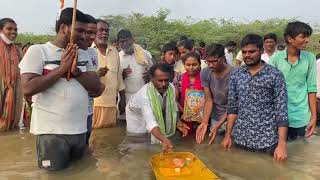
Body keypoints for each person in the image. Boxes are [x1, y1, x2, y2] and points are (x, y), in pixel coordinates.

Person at [19, 8, 104, 171]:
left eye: (86, 31)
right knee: (54, 175)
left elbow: (97, 87)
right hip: (52, 133)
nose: (84, 36)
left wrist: (76, 72)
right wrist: (61, 69)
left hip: (80, 129)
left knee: (80, 172)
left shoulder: (84, 54)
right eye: (79, 30)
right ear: (63, 28)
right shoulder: (38, 51)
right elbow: (27, 88)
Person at [221, 34, 288, 162]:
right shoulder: (236, 74)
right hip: (240, 138)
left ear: (261, 51)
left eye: (252, 51)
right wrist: (228, 135)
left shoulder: (275, 75)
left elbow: (282, 111)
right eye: (245, 52)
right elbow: (232, 108)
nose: (247, 55)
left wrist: (282, 144)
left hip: (267, 141)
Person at [125, 63, 189, 152]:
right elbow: (151, 122)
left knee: (153, 136)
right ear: (152, 79)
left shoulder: (171, 88)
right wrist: (164, 139)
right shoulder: (145, 95)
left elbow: (173, 107)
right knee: (137, 141)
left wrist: (178, 122)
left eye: (166, 80)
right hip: (136, 117)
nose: (163, 84)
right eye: (160, 80)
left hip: (149, 114)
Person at [269, 21, 317, 140]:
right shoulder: (275, 59)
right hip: (278, 116)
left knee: (300, 150)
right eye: (303, 36)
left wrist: (314, 117)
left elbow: (311, 89)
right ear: (290, 38)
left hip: (301, 116)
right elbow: (269, 89)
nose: (307, 40)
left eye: (307, 37)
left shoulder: (310, 58)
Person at [195, 44, 234, 144]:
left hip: (233, 118)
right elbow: (208, 100)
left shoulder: (235, 74)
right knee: (214, 146)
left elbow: (233, 105)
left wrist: (220, 123)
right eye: (208, 62)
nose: (211, 65)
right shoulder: (205, 73)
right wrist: (204, 122)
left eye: (215, 61)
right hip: (215, 117)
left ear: (223, 58)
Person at [92, 19, 126, 129]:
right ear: (94, 31)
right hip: (93, 104)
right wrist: (96, 74)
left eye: (106, 31)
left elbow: (119, 77)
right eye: (101, 30)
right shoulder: (87, 50)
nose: (104, 33)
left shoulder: (114, 51)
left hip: (111, 104)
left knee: (109, 138)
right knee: (94, 137)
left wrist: (123, 100)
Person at [0, 18, 23, 132]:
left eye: (15, 29)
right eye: (9, 29)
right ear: (0, 30)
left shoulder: (18, 51)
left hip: (14, 91)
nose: (13, 32)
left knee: (12, 126)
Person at [118, 29, 153, 103]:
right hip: (126, 97)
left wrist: (149, 75)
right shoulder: (118, 57)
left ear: (132, 40)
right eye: (122, 42)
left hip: (144, 96)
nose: (125, 44)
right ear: (119, 43)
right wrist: (122, 75)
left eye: (127, 40)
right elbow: (116, 80)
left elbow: (153, 72)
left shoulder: (145, 54)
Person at [174, 52, 203, 135]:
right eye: (188, 64)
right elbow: (174, 100)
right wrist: (185, 113)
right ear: (184, 65)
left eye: (194, 64)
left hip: (202, 118)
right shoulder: (178, 78)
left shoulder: (205, 78)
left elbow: (209, 98)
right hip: (183, 117)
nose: (191, 68)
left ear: (199, 64)